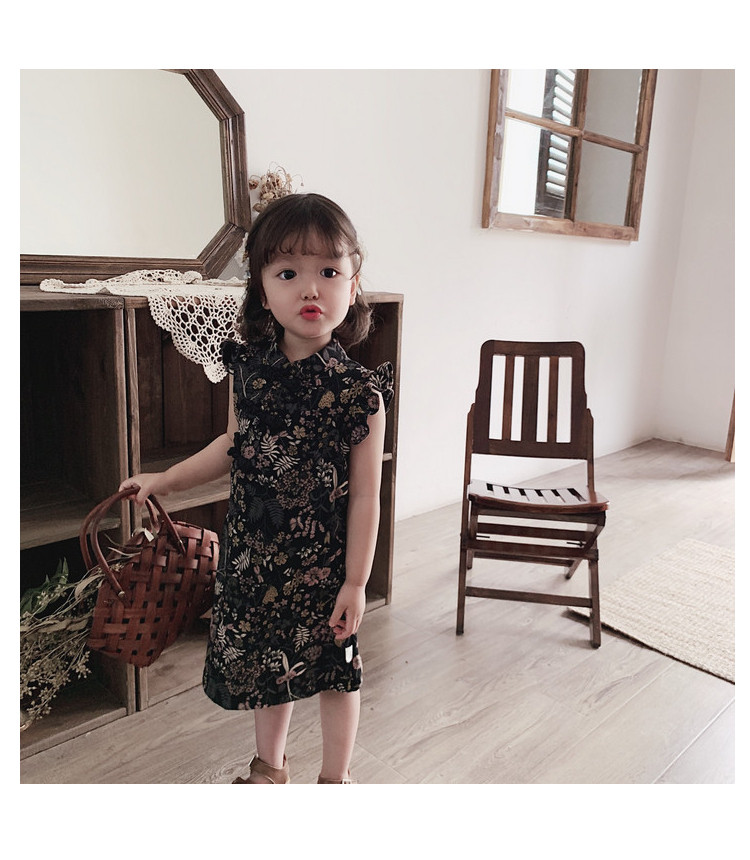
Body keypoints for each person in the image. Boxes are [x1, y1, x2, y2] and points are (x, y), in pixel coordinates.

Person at [119, 193, 393, 784]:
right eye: (288, 273)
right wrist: (163, 479)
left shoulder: (360, 396)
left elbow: (366, 497)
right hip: (256, 559)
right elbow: (231, 446)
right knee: (271, 670)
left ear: (353, 284)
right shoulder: (249, 372)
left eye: (329, 271)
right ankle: (269, 769)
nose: (310, 288)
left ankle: (336, 780)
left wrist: (355, 581)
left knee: (337, 671)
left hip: (325, 568)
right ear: (263, 290)